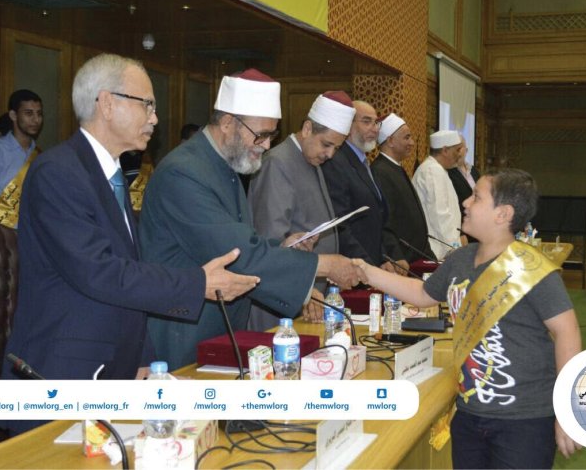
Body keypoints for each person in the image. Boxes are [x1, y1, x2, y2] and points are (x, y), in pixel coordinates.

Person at [1, 54, 259, 435]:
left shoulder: (110, 174)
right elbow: (99, 272)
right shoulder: (58, 172)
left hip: (113, 368)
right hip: (62, 376)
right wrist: (197, 284)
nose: (155, 118)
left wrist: (143, 359)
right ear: (107, 103)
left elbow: (128, 269)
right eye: (147, 104)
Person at [353, 168, 582, 469]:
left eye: (476, 197)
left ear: (503, 214)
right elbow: (423, 294)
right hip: (470, 413)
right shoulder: (460, 259)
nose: (465, 202)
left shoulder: (531, 268)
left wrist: (567, 410)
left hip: (525, 420)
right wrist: (367, 271)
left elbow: (567, 333)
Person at [139, 69, 359, 370]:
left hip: (217, 332)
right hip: (184, 337)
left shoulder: (225, 165)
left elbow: (239, 240)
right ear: (228, 122)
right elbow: (235, 253)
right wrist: (324, 265)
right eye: (261, 135)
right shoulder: (183, 172)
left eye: (271, 135)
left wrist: (282, 246)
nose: (266, 145)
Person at [247, 90, 356, 330]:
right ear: (307, 129)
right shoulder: (278, 162)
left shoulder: (309, 158)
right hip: (283, 301)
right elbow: (269, 242)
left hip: (309, 298)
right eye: (326, 144)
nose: (330, 154)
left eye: (336, 148)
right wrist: (305, 291)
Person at [321, 100, 407, 274]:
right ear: (348, 126)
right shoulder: (336, 162)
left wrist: (387, 258)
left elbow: (378, 221)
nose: (375, 129)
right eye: (366, 122)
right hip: (353, 270)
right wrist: (368, 267)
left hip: (373, 266)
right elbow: (340, 225)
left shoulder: (364, 162)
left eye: (376, 123)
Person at [371, 113, 435, 263]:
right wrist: (397, 256)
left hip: (417, 256)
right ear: (391, 141)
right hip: (403, 261)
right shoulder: (380, 171)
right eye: (407, 137)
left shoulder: (395, 168)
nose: (412, 143)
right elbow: (386, 221)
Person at [0, 90, 43, 226]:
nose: (36, 120)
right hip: (0, 237)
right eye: (29, 113)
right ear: (13, 115)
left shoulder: (40, 155)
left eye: (39, 114)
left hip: (32, 235)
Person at [412, 130, 465, 259]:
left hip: (442, 247)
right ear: (445, 150)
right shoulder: (432, 170)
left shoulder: (437, 169)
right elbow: (440, 214)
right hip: (438, 249)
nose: (460, 155)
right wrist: (455, 247)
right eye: (457, 150)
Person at [448, 140, 480, 217]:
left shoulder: (474, 170)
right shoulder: (448, 173)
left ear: (466, 150)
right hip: (461, 219)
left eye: (459, 147)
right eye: (454, 148)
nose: (457, 151)